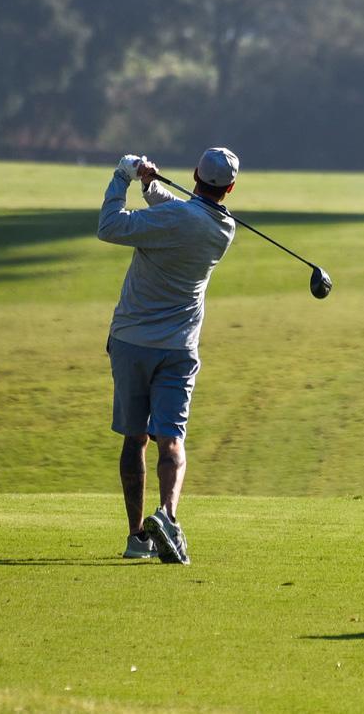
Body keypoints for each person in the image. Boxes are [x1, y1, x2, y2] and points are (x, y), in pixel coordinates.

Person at [97, 147, 239, 564]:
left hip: (131, 340)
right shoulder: (224, 228)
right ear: (230, 188)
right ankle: (168, 515)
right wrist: (151, 188)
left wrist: (123, 176)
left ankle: (136, 538)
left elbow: (109, 226)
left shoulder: (174, 219)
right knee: (171, 439)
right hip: (179, 347)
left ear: (195, 174)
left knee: (135, 438)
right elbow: (186, 215)